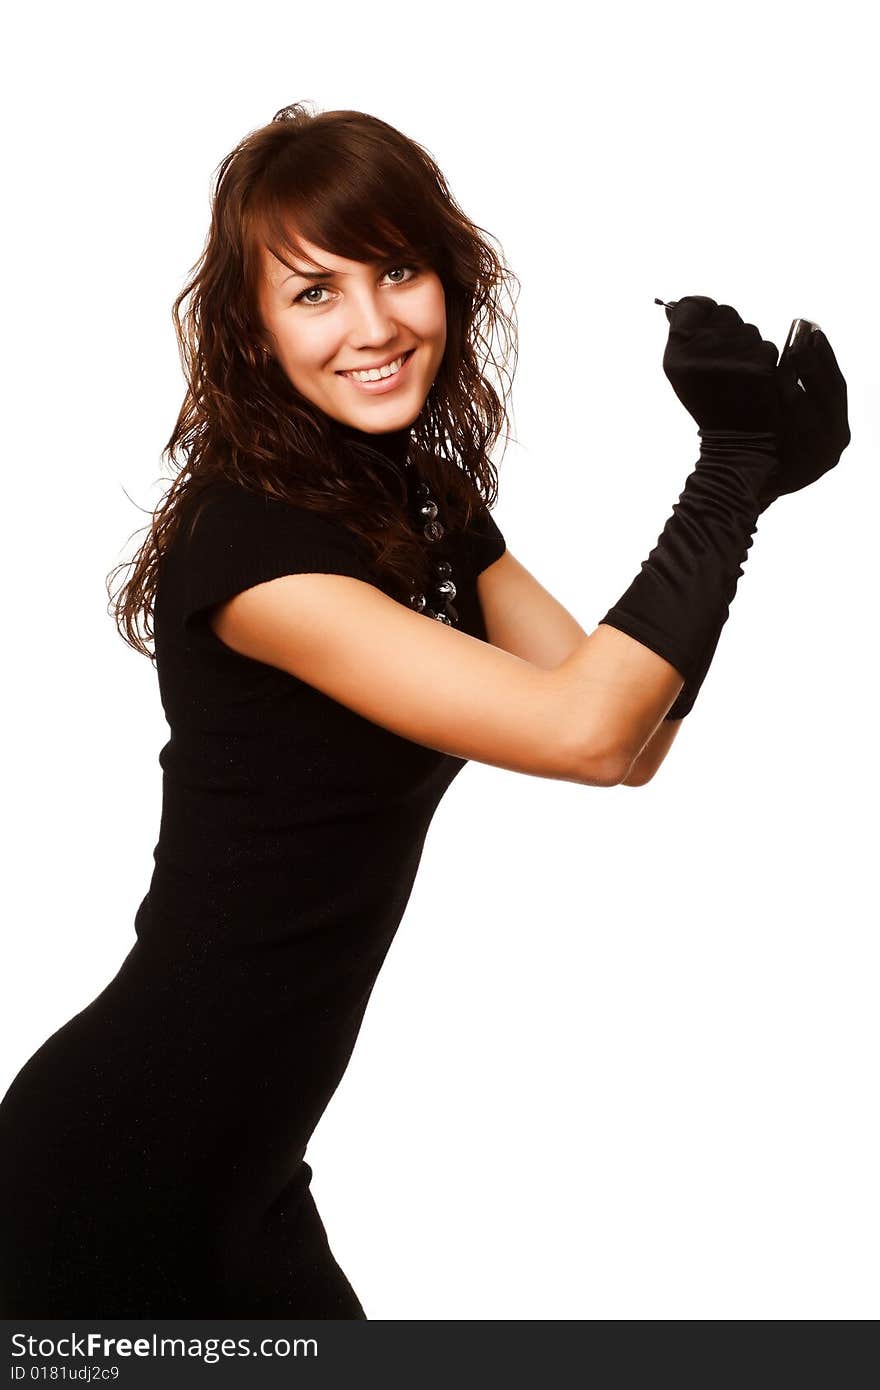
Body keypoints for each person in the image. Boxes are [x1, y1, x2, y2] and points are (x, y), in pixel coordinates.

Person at [0, 102, 850, 1318]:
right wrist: (724, 469)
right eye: (315, 292)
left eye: (397, 268)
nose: (375, 324)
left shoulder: (419, 502)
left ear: (449, 275)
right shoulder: (248, 552)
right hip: (108, 1176)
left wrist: (751, 490)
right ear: (250, 330)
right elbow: (585, 726)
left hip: (248, 1179)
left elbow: (633, 740)